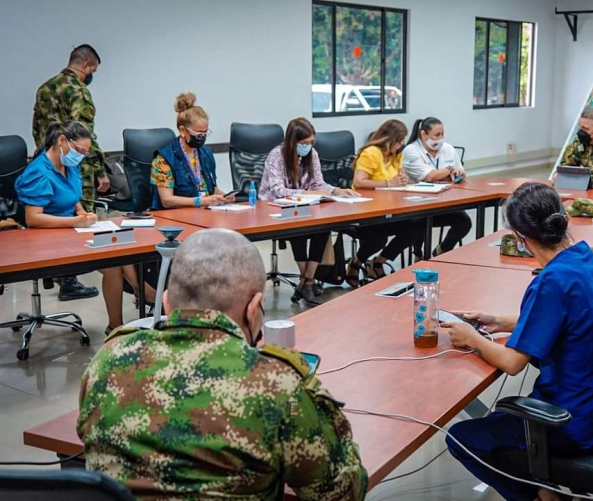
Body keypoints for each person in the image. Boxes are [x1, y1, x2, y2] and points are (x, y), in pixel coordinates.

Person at [77, 228, 368, 500]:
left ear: (166, 303)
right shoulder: (276, 383)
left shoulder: (109, 360)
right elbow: (342, 492)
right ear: (254, 310)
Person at [442, 182, 593, 501]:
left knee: (461, 438)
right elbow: (567, 318)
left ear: (521, 239)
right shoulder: (584, 260)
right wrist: (497, 321)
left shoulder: (551, 281)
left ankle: (543, 497)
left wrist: (473, 338)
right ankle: (545, 490)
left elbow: (512, 363)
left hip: (568, 422)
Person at [15, 121, 156, 333]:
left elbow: (72, 197)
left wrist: (81, 211)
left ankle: (117, 323)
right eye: (80, 150)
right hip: (45, 238)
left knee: (115, 254)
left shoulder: (68, 165)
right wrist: (75, 221)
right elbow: (33, 219)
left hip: (72, 232)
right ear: (62, 141)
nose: (81, 156)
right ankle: (143, 292)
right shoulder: (39, 172)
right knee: (113, 259)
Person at [32, 44, 107, 301]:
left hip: (47, 160)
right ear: (86, 65)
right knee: (79, 219)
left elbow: (37, 130)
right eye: (92, 69)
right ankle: (69, 280)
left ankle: (53, 269)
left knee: (55, 214)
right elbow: (83, 135)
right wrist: (99, 169)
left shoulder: (45, 88)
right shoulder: (78, 90)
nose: (91, 75)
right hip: (74, 165)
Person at [259, 117, 359, 306]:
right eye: (304, 143)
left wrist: (336, 190)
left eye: (311, 142)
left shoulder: (312, 154)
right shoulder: (276, 156)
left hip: (305, 204)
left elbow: (319, 183)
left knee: (322, 226)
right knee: (299, 229)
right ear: (292, 141)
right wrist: (308, 192)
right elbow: (277, 190)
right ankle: (307, 283)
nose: (308, 146)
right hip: (274, 206)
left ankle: (307, 280)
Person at [349, 119, 418, 286]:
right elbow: (359, 181)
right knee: (378, 239)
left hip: (390, 207)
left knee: (414, 227)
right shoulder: (371, 153)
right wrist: (388, 183)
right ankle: (356, 262)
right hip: (365, 209)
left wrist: (403, 179)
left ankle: (378, 262)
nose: (401, 144)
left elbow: (399, 177)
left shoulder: (395, 155)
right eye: (400, 140)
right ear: (389, 139)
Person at [402, 117, 472, 257]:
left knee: (464, 222)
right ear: (423, 134)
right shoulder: (411, 150)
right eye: (437, 135)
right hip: (419, 203)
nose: (441, 138)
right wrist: (449, 170)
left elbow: (460, 171)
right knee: (421, 222)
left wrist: (459, 173)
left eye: (442, 134)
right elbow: (429, 176)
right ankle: (419, 255)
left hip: (444, 201)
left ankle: (442, 250)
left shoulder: (448, 148)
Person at [151, 92, 234, 208]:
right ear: (183, 131)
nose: (203, 137)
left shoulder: (206, 153)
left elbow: (212, 189)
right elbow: (167, 200)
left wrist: (224, 197)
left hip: (206, 213)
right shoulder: (164, 159)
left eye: (205, 133)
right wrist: (201, 201)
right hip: (176, 217)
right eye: (199, 134)